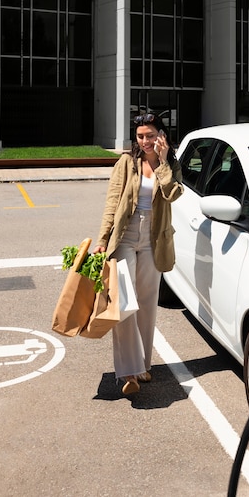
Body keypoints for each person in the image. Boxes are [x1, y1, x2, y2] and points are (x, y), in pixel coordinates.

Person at [93, 113, 184, 395]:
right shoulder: (126, 163)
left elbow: (173, 194)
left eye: (150, 135)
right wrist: (102, 239)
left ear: (161, 136)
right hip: (125, 237)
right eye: (141, 136)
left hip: (153, 240)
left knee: (146, 302)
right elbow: (112, 202)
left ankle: (143, 365)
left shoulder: (171, 164)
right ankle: (128, 371)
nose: (145, 141)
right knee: (124, 303)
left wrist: (164, 161)